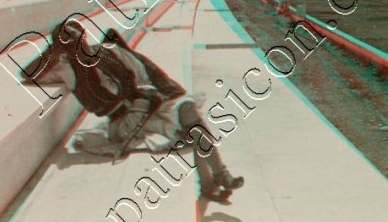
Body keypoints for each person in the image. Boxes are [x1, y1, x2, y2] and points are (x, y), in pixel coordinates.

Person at [26, 19, 244, 198]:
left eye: (79, 38)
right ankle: (212, 182)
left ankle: (218, 176)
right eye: (71, 43)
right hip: (125, 122)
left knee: (190, 114)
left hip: (153, 102)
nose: (79, 45)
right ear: (63, 48)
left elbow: (144, 73)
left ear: (85, 35)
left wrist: (147, 94)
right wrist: (52, 51)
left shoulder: (108, 50)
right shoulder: (67, 70)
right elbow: (28, 74)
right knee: (192, 131)